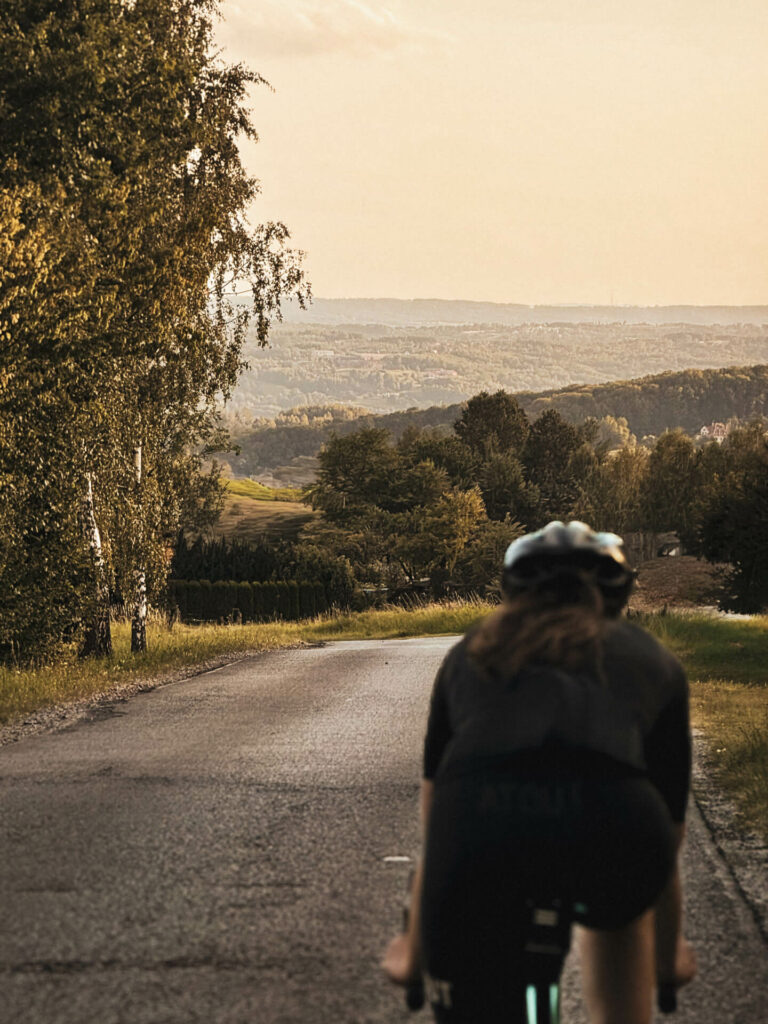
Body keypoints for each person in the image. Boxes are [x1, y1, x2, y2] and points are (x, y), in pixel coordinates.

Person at [383, 521, 697, 1024]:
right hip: (616, 828)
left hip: (482, 827)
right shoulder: (653, 659)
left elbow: (435, 814)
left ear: (513, 590)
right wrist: (668, 955)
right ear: (617, 593)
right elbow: (671, 829)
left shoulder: (469, 654)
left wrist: (415, 950)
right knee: (622, 918)